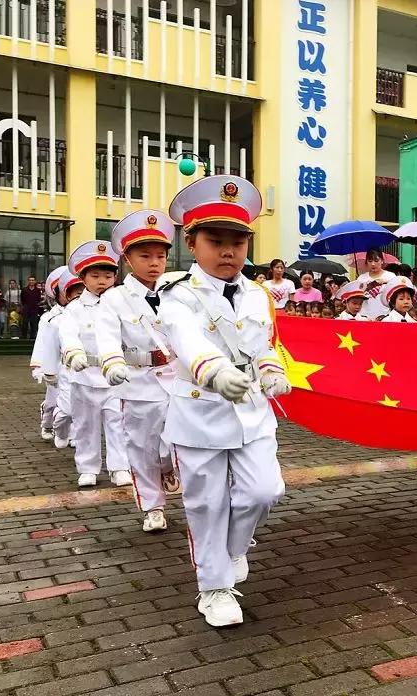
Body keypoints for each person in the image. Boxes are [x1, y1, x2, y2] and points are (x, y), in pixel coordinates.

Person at [161, 174, 290, 627]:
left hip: (251, 411)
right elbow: (186, 337)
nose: (228, 251)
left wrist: (273, 370)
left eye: (238, 242)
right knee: (207, 504)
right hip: (199, 411)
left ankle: (234, 549)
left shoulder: (257, 294)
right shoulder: (176, 294)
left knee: (264, 490)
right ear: (191, 243)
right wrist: (214, 371)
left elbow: (264, 343)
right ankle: (213, 588)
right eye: (215, 241)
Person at [97, 210, 180, 534]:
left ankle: (168, 468)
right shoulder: (116, 298)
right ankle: (153, 506)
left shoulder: (176, 291)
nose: (154, 262)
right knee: (142, 448)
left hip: (177, 378)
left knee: (176, 444)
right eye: (145, 255)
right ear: (128, 259)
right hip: (138, 383)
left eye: (160, 255)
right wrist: (112, 363)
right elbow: (106, 336)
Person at [58, 241, 132, 488]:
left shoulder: (122, 304)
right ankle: (88, 467)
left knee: (118, 423)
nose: (102, 281)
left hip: (115, 377)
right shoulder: (75, 308)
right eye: (96, 275)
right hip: (85, 375)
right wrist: (73, 353)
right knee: (85, 425)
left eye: (108, 275)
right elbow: (67, 334)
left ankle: (119, 466)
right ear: (83, 278)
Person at [43, 268, 84, 449]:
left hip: (83, 368)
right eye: (76, 292)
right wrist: (44, 369)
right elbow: (46, 346)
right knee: (55, 403)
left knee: (79, 405)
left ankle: (75, 434)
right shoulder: (51, 318)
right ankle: (50, 425)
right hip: (61, 367)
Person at [29, 266, 67, 441]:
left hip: (76, 366)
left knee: (73, 402)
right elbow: (42, 343)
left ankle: (71, 433)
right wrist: (39, 366)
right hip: (55, 364)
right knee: (53, 400)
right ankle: (47, 423)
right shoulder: (49, 318)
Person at [357, 249, 396, 320]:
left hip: (385, 316)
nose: (373, 264)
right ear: (366, 262)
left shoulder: (391, 276)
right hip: (364, 317)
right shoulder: (361, 278)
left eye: (376, 260)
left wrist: (385, 282)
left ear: (382, 261)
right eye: (370, 261)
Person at [21, 276, 44, 340]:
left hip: (34, 308)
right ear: (28, 281)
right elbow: (22, 299)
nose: (31, 281)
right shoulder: (24, 289)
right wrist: (24, 306)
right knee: (25, 322)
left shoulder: (37, 290)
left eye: (32, 280)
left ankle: (33, 336)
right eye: (30, 280)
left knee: (33, 323)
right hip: (26, 307)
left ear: (35, 281)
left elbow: (39, 299)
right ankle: (24, 336)